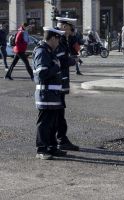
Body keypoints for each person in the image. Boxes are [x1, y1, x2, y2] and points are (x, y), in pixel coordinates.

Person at [33, 27, 67, 160]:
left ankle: (52, 147)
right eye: (58, 38)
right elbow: (42, 73)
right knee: (44, 123)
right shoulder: (42, 51)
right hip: (45, 94)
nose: (59, 42)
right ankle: (41, 149)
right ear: (53, 38)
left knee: (52, 123)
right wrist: (57, 67)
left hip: (52, 94)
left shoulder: (49, 51)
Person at [55, 17, 80, 151]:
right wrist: (72, 61)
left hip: (61, 82)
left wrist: (73, 38)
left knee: (59, 113)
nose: (72, 31)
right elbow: (61, 60)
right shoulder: (58, 40)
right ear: (64, 27)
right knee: (57, 114)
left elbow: (74, 49)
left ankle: (60, 140)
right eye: (71, 28)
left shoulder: (64, 39)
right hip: (57, 83)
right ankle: (59, 141)